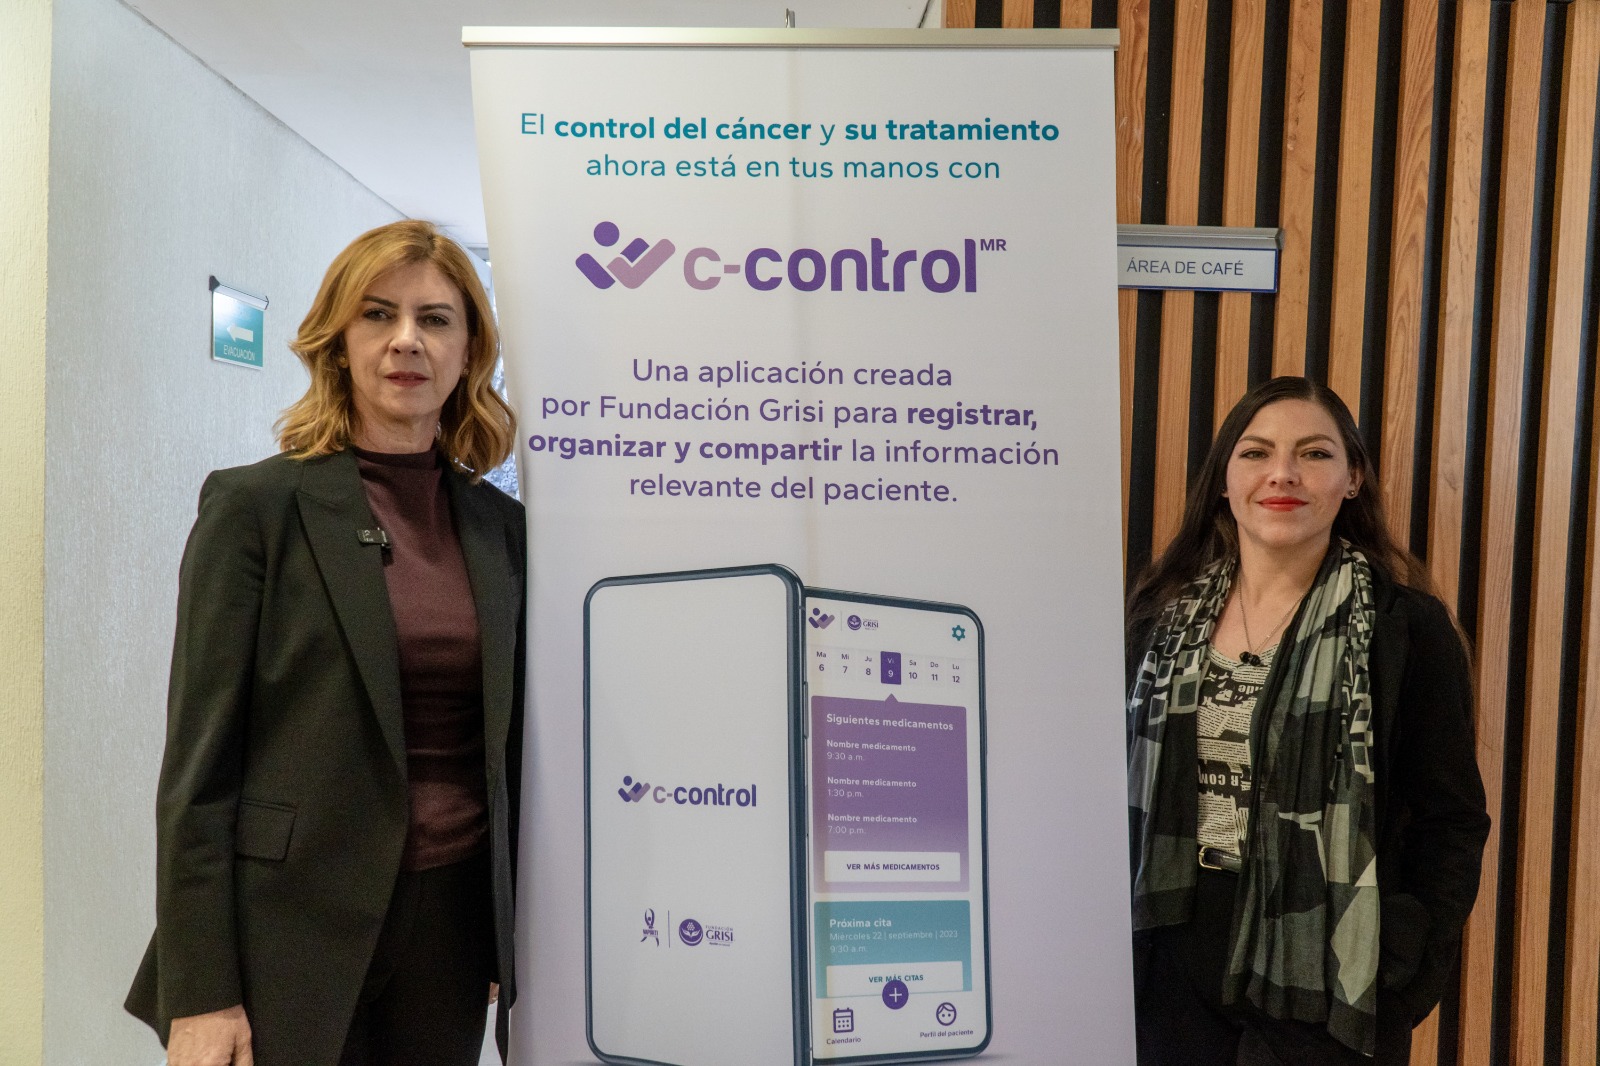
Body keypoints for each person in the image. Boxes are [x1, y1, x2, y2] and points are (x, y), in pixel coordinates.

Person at [125, 219, 526, 1066]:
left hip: (450, 932)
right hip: (288, 926)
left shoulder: (503, 530)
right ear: (339, 343)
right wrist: (201, 990)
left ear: (469, 353)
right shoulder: (255, 510)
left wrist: (507, 928)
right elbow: (199, 769)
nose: (406, 340)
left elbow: (514, 750)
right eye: (378, 314)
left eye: (435, 319)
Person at [1125, 377, 1489, 1065]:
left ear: (1352, 479)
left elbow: (1451, 819)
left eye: (1314, 454)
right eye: (1256, 452)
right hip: (1167, 955)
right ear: (1225, 480)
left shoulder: (1405, 629)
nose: (1282, 474)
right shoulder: (1158, 621)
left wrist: (1402, 967)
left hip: (1325, 970)